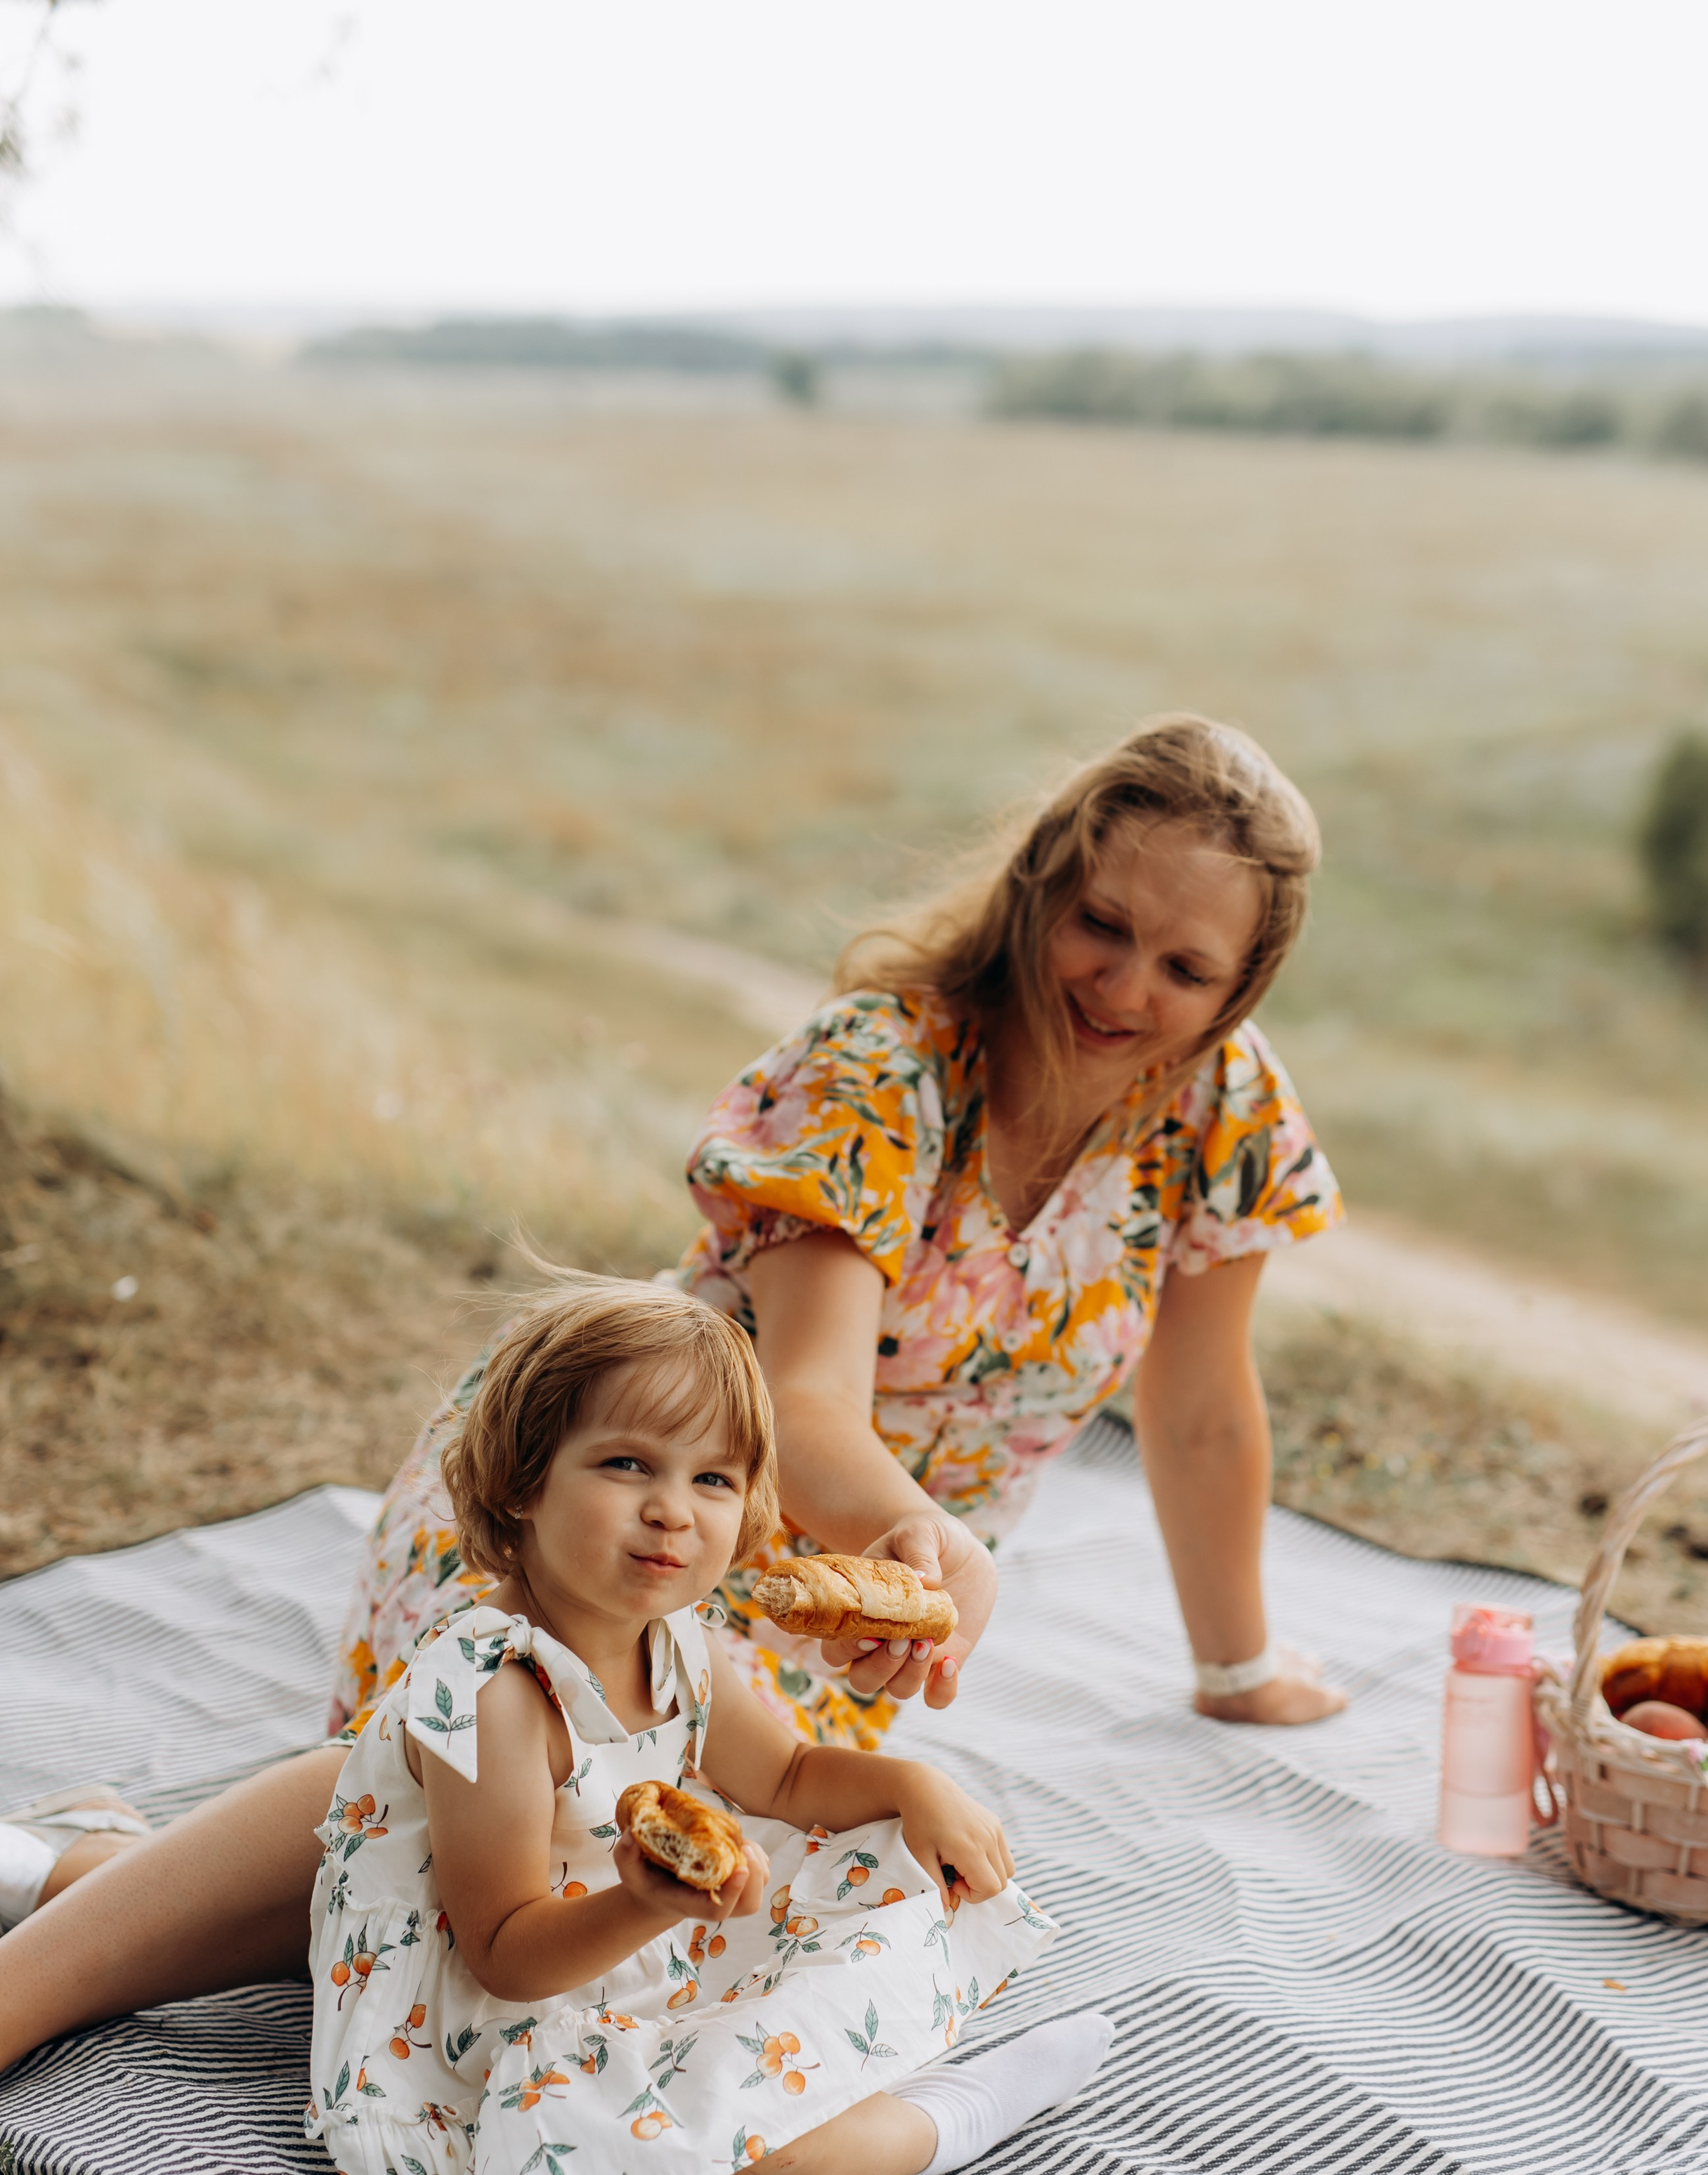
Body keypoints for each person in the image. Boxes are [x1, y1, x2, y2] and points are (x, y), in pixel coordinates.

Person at [0, 710, 1343, 2070]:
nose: (1124, 986)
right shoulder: (884, 1068)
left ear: (1243, 985)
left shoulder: (1221, 1112)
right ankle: (35, 1982)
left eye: (1185, 967)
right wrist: (916, 1544)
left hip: (834, 1619)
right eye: (1101, 925)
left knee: (675, 1896)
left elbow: (1201, 1408)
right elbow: (803, 1401)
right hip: (623, 1491)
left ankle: (89, 1873)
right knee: (501, 1746)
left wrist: (1231, 1667)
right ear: (1040, 884)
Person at [314, 1277, 1098, 2175]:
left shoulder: (676, 1641)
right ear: (522, 1480)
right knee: (748, 2126)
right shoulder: (497, 1694)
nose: (671, 1511)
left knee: (865, 1891)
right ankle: (950, 2119)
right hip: (498, 2018)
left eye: (715, 1481)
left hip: (629, 1955)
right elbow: (504, 1954)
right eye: (627, 1464)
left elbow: (785, 1776)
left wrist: (911, 1786)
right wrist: (644, 1902)